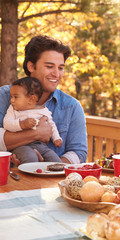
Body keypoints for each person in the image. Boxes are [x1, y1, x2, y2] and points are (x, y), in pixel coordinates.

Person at [0, 35, 87, 165]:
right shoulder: (4, 96)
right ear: (31, 66)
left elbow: (78, 152)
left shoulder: (72, 106)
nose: (57, 74)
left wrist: (50, 167)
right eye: (49, 66)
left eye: (60, 68)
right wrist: (35, 133)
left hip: (51, 183)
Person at [3, 77, 63, 164]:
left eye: (16, 97)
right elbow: (7, 124)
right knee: (30, 158)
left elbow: (51, 125)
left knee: (56, 161)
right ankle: (30, 177)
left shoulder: (43, 110)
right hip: (22, 146)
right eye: (11, 96)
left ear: (31, 99)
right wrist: (22, 124)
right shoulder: (12, 110)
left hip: (41, 146)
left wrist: (56, 138)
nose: (11, 100)